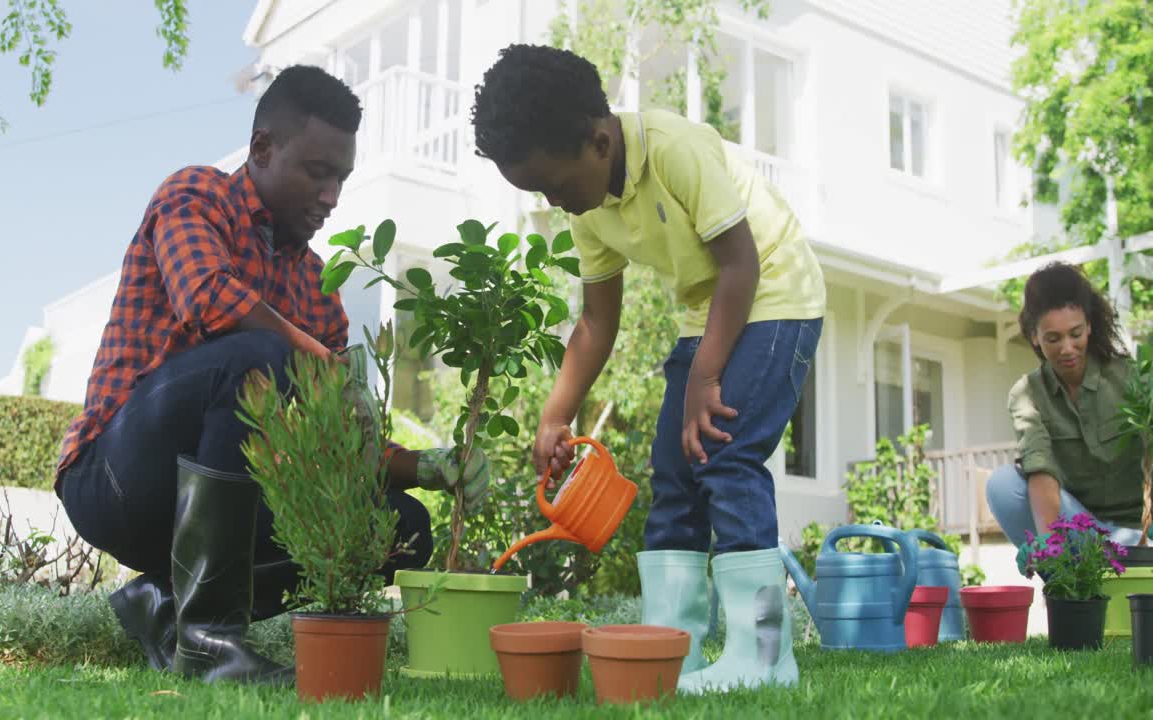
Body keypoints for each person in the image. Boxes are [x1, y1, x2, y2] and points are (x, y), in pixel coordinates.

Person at [55, 65, 490, 685]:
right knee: (260, 354)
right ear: (262, 148)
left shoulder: (317, 288)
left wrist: (427, 468)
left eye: (341, 176)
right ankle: (209, 645)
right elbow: (209, 301)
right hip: (118, 483)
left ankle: (167, 605)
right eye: (318, 172)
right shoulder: (195, 195)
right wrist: (322, 363)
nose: (333, 195)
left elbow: (342, 444)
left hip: (211, 515)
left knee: (399, 526)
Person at [469, 44, 825, 693]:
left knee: (725, 450)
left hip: (775, 294)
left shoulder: (674, 148)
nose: (557, 202)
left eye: (556, 185)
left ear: (600, 141)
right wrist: (557, 413)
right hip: (707, 310)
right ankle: (670, 650)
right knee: (672, 471)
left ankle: (765, 653)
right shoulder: (586, 207)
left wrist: (705, 380)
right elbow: (596, 323)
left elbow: (741, 264)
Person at [987, 261, 1147, 548]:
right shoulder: (1027, 394)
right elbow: (1040, 471)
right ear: (1035, 337)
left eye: (1075, 334)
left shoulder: (1131, 378)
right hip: (1082, 531)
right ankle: (1075, 572)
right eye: (1053, 338)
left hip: (1141, 532)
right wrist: (1051, 547)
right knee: (1002, 485)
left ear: (1089, 326)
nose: (1067, 348)